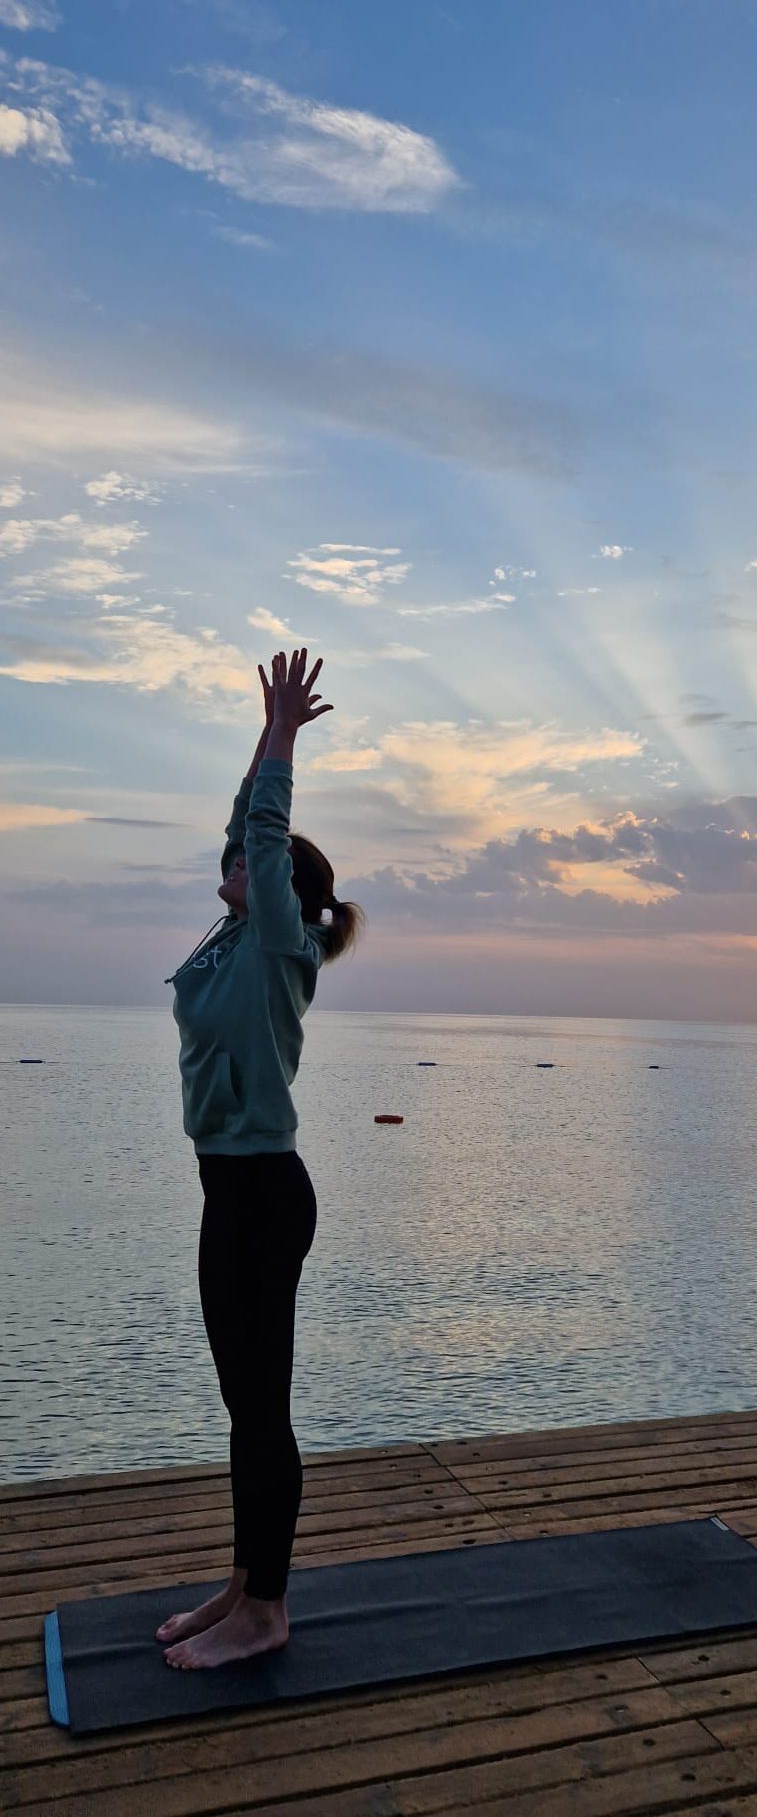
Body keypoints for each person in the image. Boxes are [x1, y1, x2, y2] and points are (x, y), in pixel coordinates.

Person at [157, 648, 365, 1670]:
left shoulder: (279, 943)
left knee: (263, 1409)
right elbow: (250, 821)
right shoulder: (235, 937)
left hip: (263, 1195)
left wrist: (285, 735)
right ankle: (244, 1583)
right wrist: (260, 736)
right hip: (226, 1189)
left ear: (278, 887)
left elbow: (267, 830)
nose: (236, 856)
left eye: (254, 858)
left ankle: (268, 1608)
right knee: (243, 1406)